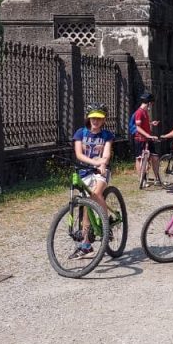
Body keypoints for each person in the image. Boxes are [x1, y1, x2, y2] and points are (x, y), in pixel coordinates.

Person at [72, 104, 116, 255]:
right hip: (85, 171)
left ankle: (105, 225)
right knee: (87, 205)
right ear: (88, 118)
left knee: (95, 194)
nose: (95, 121)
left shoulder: (106, 135)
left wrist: (102, 163)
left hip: (101, 171)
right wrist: (93, 162)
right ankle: (86, 244)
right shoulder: (80, 133)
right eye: (93, 118)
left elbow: (106, 154)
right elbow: (79, 154)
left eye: (99, 118)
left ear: (104, 120)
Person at [131, 91, 163, 187]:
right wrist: (148, 136)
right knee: (139, 159)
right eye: (151, 103)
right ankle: (142, 179)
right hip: (140, 139)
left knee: (155, 157)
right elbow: (138, 127)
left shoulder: (145, 112)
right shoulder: (139, 112)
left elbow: (143, 124)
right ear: (148, 103)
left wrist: (151, 123)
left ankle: (157, 178)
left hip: (148, 138)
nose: (152, 106)